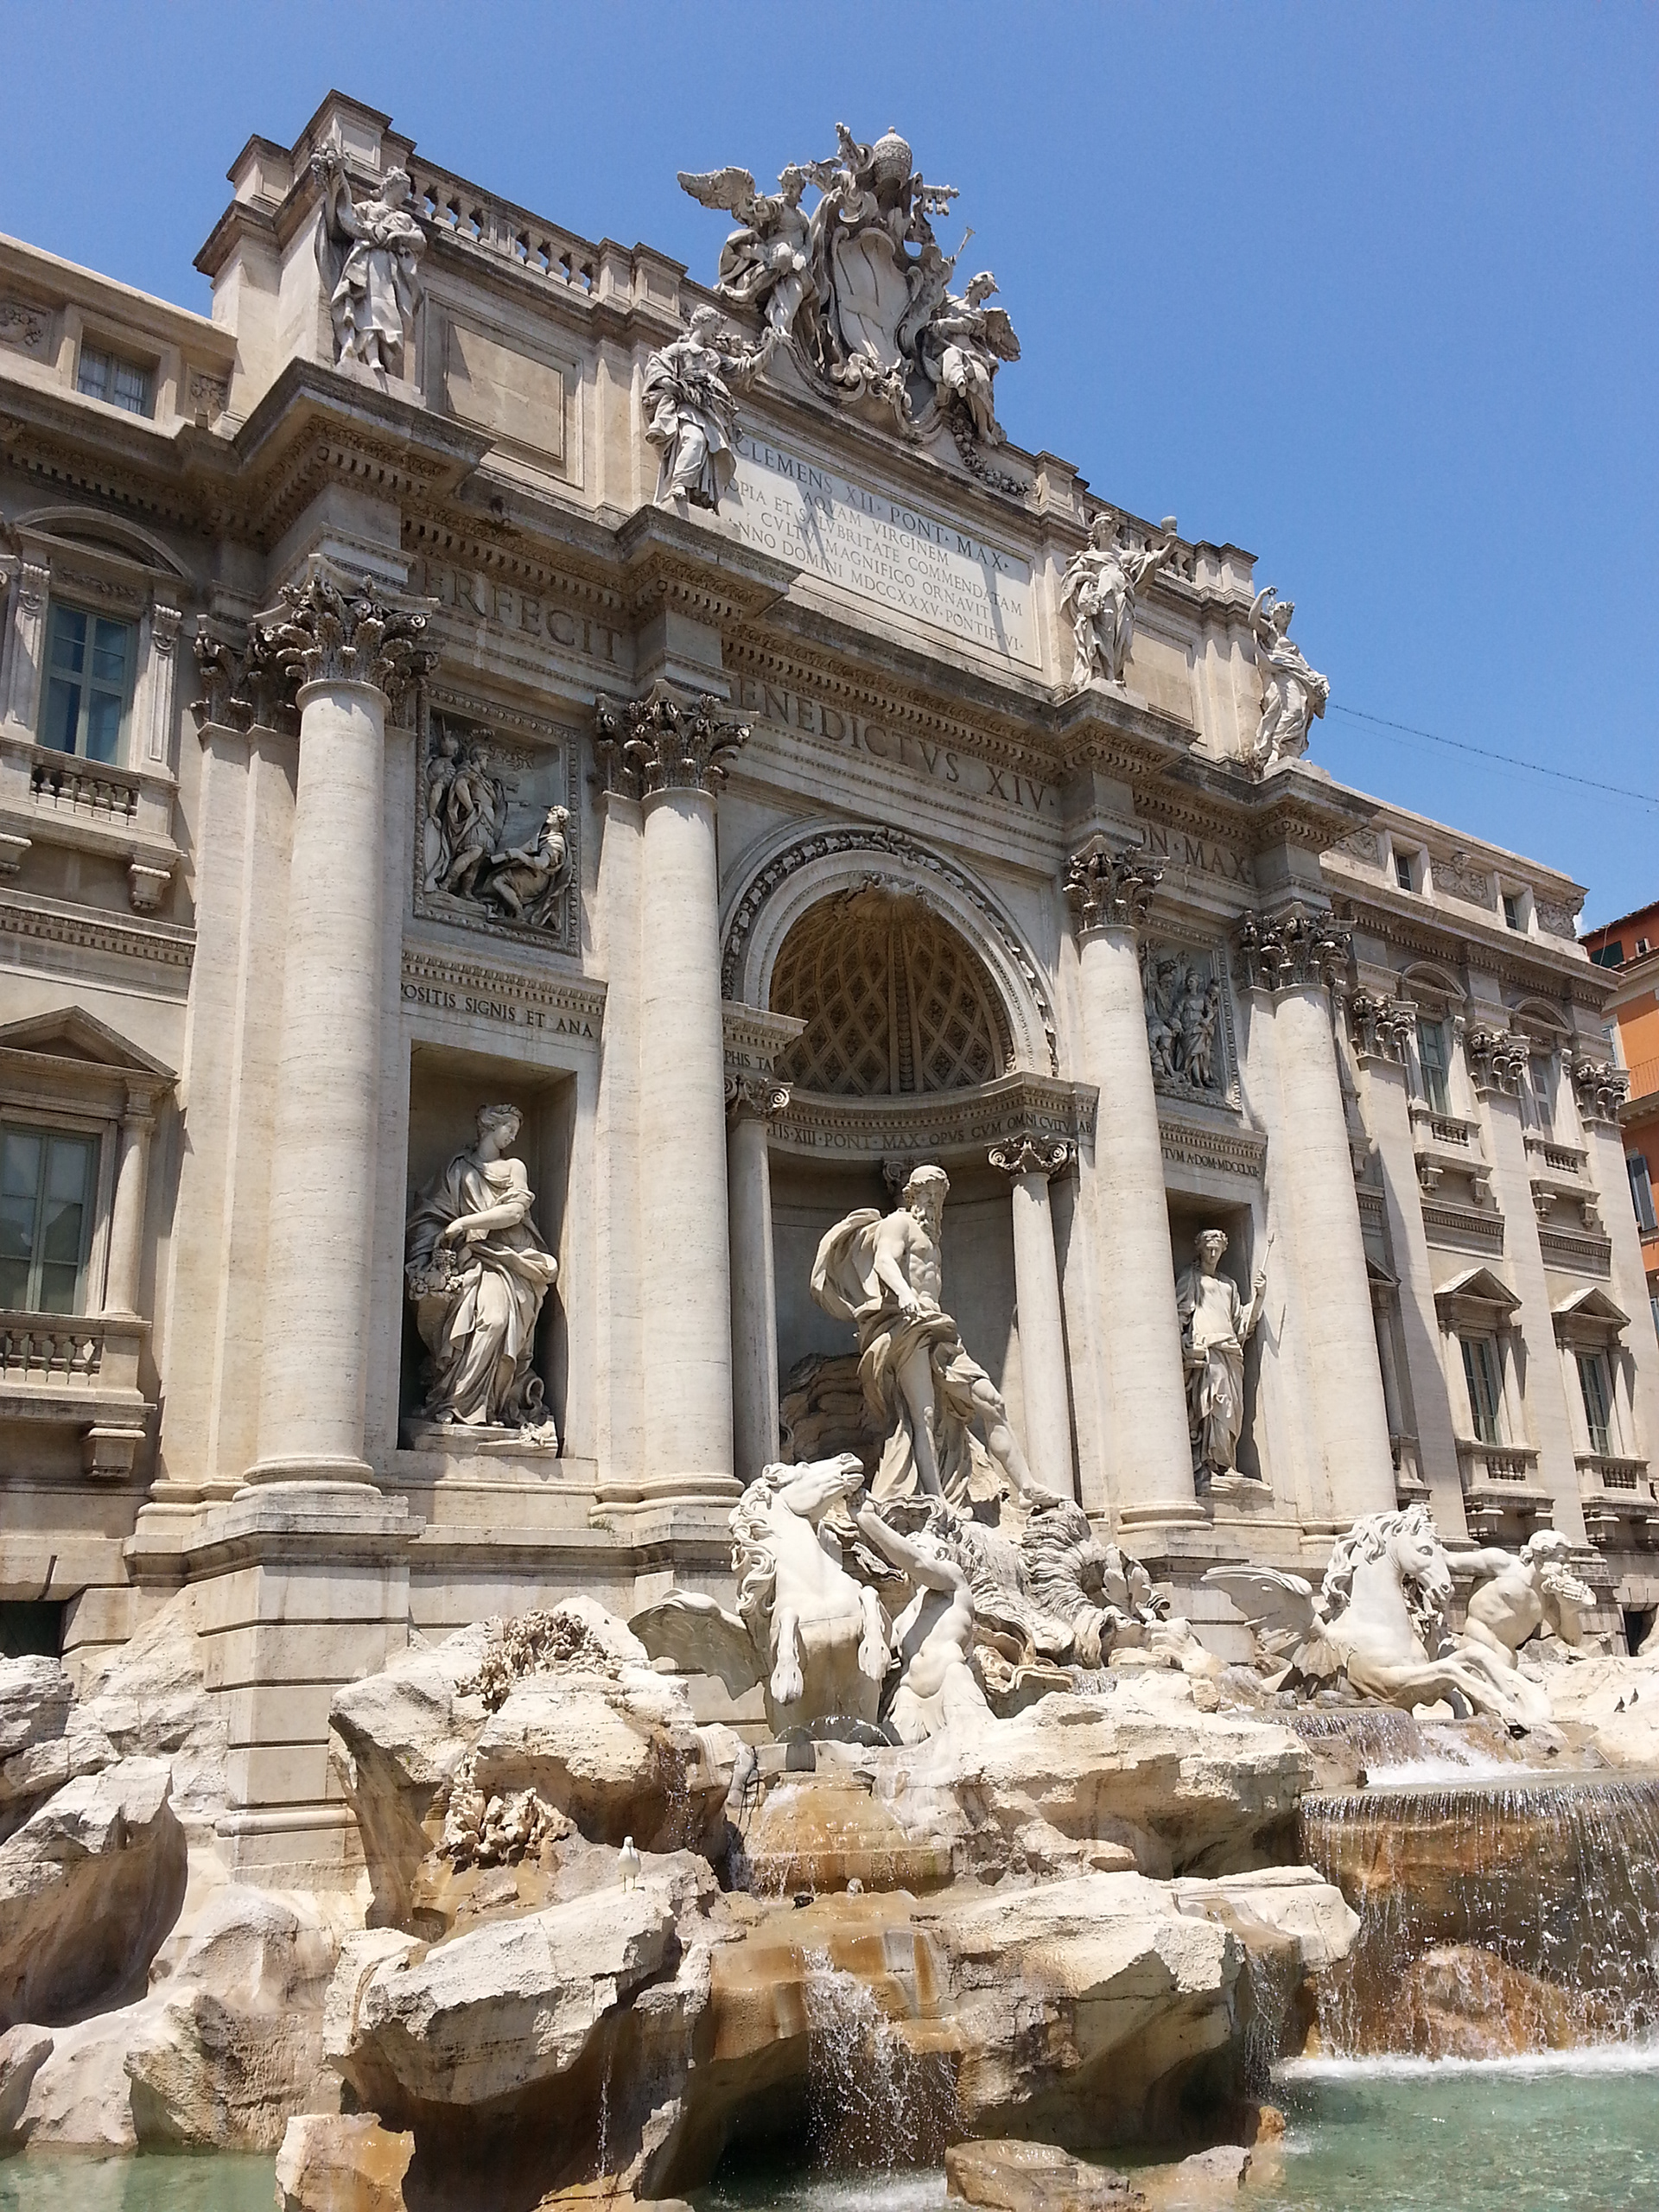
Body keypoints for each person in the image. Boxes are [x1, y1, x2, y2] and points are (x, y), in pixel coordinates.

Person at [811, 1164, 1034, 1502]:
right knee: (923, 1415)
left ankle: (1028, 1486)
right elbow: (885, 1260)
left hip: (938, 1329)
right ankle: (935, 1501)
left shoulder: (932, 1237)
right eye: (926, 1195)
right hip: (907, 1325)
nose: (932, 1204)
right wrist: (904, 1294)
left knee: (993, 1401)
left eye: (938, 1197)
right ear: (911, 1195)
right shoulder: (898, 1223)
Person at [404, 1103, 559, 1433]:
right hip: (470, 1261)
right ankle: (454, 1403)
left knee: (497, 1321)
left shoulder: (514, 1166)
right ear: (491, 1126)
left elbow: (514, 1214)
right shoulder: (458, 1169)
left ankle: (491, 1407)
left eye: (518, 1130)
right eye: (509, 1128)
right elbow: (432, 1214)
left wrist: (463, 1222)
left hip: (511, 1260)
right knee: (481, 1324)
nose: (514, 1135)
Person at [312, 153, 425, 376]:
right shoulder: (368, 208)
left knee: (390, 314)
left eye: (406, 192)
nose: (404, 195)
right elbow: (345, 217)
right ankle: (371, 357)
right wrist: (337, 181)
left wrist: (399, 237)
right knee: (369, 311)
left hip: (391, 270)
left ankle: (380, 355)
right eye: (402, 189)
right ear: (389, 187)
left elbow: (420, 240)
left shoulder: (405, 219)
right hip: (368, 261)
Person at [1175, 1229, 1267, 1486]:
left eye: (1217, 1248)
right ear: (1200, 1249)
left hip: (1230, 1352)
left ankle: (1227, 1463)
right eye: (1208, 1247)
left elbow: (1241, 1323)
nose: (1213, 1252)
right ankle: (1209, 1464)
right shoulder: (1190, 1278)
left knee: (1230, 1409)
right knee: (1213, 1403)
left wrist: (1259, 1297)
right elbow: (1180, 1313)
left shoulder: (1229, 1285)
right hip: (1208, 1349)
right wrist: (1184, 1344)